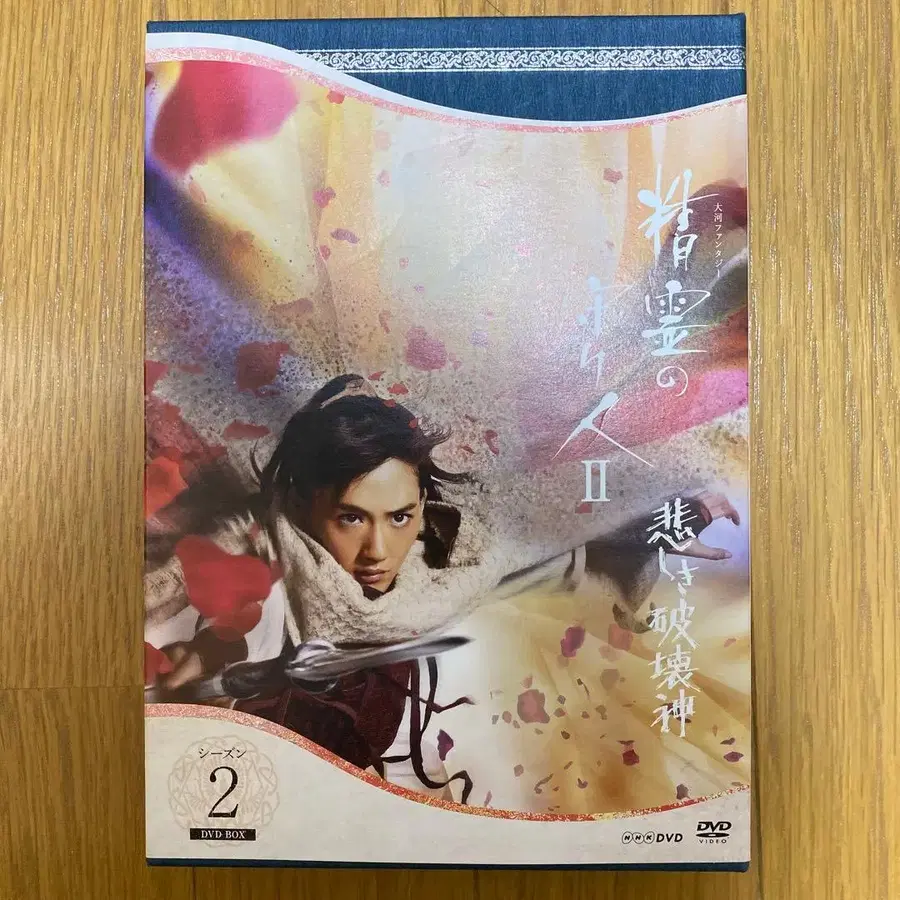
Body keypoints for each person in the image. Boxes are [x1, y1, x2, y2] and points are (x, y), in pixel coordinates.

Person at [144, 373, 739, 793]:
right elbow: (166, 585)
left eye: (399, 517)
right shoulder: (259, 539)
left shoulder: (459, 552)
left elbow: (553, 539)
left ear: (422, 505)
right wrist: (205, 660)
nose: (378, 551)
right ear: (304, 504)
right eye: (350, 518)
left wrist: (660, 527)